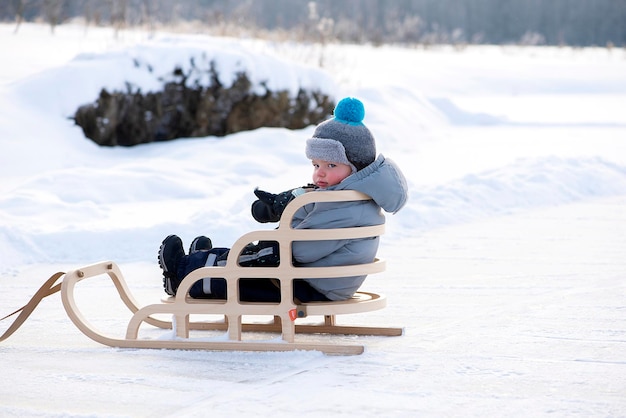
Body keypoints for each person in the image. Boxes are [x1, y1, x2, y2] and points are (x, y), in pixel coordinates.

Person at [157, 97, 408, 303]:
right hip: (317, 278)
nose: (319, 172)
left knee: (243, 274)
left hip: (308, 286)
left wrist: (277, 237)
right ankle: (205, 261)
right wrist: (287, 205)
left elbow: (300, 250)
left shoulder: (344, 205)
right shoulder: (352, 197)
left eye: (331, 164)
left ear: (355, 168)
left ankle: (183, 275)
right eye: (316, 164)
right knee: (254, 256)